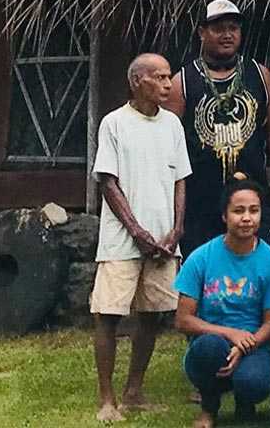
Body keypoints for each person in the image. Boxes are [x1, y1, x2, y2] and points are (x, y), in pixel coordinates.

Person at [91, 54, 191, 423]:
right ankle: (107, 398)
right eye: (160, 78)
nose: (168, 84)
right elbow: (107, 181)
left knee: (152, 314)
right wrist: (136, 231)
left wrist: (177, 229)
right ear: (137, 81)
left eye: (169, 78)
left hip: (164, 240)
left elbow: (181, 179)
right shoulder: (114, 123)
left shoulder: (172, 125)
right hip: (122, 241)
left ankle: (134, 391)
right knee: (108, 315)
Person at [166, 0, 270, 255]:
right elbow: (167, 148)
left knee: (261, 276)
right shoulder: (182, 83)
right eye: (218, 28)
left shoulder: (259, 75)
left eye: (233, 28)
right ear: (202, 32)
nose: (227, 34)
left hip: (254, 203)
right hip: (201, 206)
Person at [174, 180, 270, 428]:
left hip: (255, 344)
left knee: (254, 381)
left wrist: (245, 345)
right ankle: (209, 407)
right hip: (211, 342)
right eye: (239, 211)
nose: (247, 218)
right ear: (224, 216)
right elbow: (183, 320)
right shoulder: (201, 257)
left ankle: (245, 404)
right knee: (210, 348)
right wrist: (230, 334)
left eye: (254, 211)